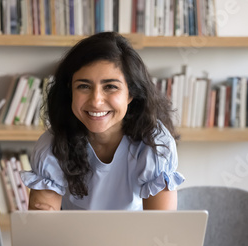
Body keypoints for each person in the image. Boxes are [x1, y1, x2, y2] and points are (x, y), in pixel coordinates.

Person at [21, 32, 184, 211]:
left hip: (136, 239)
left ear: (131, 93)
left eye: (110, 87)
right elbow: (43, 232)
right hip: (70, 239)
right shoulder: (52, 145)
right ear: (70, 93)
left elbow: (160, 232)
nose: (96, 101)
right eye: (84, 86)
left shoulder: (155, 145)